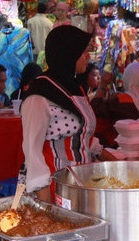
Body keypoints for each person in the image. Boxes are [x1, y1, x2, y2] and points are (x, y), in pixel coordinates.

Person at [19, 25, 100, 203]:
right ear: (68, 52)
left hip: (80, 185)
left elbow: (83, 136)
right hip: (55, 190)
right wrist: (46, 208)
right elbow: (32, 151)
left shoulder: (75, 87)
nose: (88, 56)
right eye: (83, 51)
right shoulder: (40, 93)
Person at [91, 62, 139, 146]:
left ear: (127, 78)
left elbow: (94, 109)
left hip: (124, 148)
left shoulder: (119, 100)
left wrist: (103, 84)